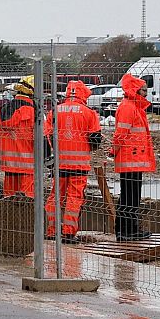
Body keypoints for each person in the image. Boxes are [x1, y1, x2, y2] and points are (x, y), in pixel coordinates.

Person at [44, 79, 102, 242]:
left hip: (60, 163)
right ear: (83, 94)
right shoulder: (89, 113)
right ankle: (68, 232)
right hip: (79, 164)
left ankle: (51, 230)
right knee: (74, 198)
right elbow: (95, 140)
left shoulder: (55, 111)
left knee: (56, 196)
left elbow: (48, 136)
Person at [110, 73, 154, 240]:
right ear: (135, 90)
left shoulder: (133, 106)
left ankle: (126, 230)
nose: (146, 94)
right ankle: (127, 230)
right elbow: (120, 134)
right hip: (131, 159)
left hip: (133, 159)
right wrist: (113, 151)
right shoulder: (129, 107)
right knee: (130, 196)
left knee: (130, 195)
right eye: (143, 90)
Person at [0, 76, 39, 197]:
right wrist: (48, 162)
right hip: (28, 167)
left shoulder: (3, 110)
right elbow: (42, 139)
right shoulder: (35, 111)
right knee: (28, 201)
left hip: (9, 166)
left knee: (9, 200)